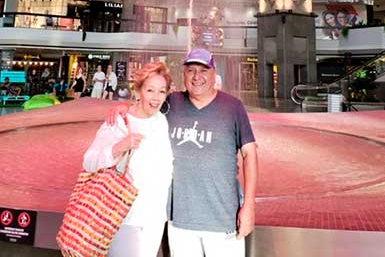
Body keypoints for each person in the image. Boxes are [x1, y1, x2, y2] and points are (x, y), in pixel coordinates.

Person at [109, 48, 257, 257]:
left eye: (203, 70)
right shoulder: (171, 103)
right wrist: (125, 106)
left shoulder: (233, 107)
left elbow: (250, 154)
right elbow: (146, 106)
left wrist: (249, 207)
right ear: (184, 74)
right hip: (179, 222)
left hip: (223, 218)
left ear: (214, 73)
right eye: (191, 70)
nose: (197, 76)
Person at [83, 62, 173, 257]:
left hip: (155, 218)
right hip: (126, 219)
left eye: (161, 91)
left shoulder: (161, 121)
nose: (156, 97)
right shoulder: (120, 121)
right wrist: (118, 147)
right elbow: (89, 161)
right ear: (138, 91)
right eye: (150, 90)